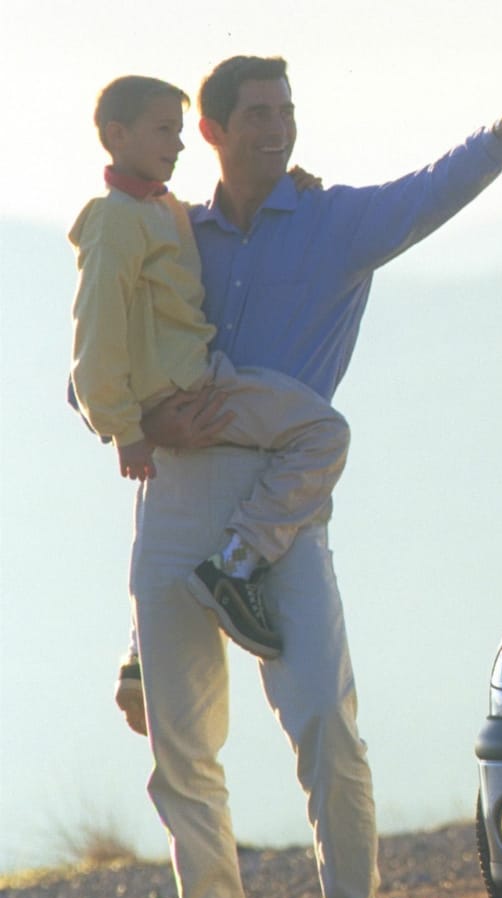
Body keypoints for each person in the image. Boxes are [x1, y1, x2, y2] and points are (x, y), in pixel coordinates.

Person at [127, 55, 502, 898]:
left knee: (326, 716)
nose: (278, 129)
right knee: (179, 742)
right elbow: (99, 354)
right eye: (257, 115)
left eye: (288, 111)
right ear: (212, 131)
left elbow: (427, 194)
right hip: (173, 491)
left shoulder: (333, 223)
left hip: (283, 505)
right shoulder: (167, 233)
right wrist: (139, 424)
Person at [73, 75, 351, 663]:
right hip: (194, 388)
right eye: (162, 131)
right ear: (117, 135)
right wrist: (129, 430)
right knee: (323, 431)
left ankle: (179, 621)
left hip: (197, 382)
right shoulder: (116, 220)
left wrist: (292, 189)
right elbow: (96, 340)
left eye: (178, 132)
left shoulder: (165, 210)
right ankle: (238, 563)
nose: (175, 146)